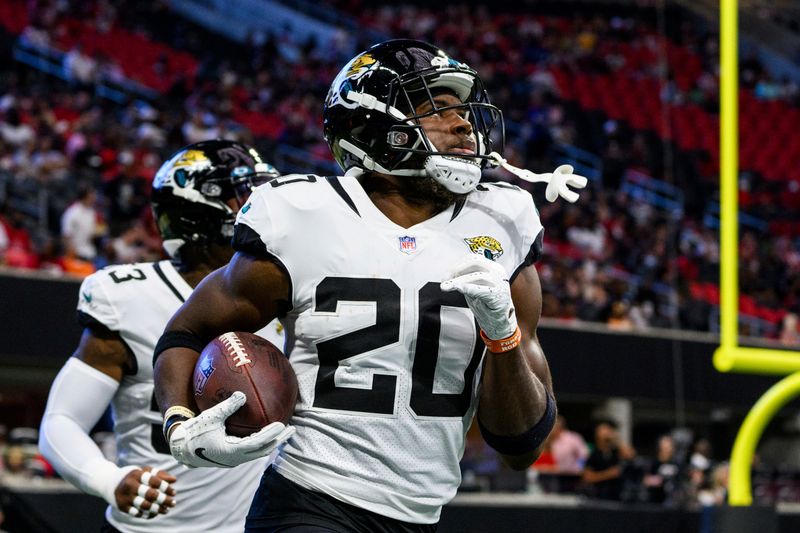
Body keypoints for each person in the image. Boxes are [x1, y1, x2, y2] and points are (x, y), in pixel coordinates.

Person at [153, 39, 586, 531]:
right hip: (309, 497)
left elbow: (522, 443)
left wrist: (502, 335)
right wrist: (180, 421)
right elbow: (187, 332)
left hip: (420, 513)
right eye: (436, 109)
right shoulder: (305, 214)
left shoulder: (503, 220)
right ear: (374, 127)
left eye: (462, 110)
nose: (464, 123)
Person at [39, 140, 282, 532]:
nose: (258, 205)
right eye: (242, 195)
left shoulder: (280, 290)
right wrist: (109, 479)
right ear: (196, 213)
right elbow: (61, 421)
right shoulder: (130, 297)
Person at [582, 419, 637, 501]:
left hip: (618, 496)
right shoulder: (594, 455)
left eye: (609, 429)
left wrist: (616, 438)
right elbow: (587, 478)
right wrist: (608, 474)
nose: (607, 432)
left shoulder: (616, 451)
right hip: (599, 496)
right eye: (604, 429)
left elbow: (630, 455)